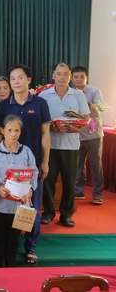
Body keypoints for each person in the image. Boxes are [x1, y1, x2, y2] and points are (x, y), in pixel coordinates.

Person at [0, 64, 50, 266]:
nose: (16, 82)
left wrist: (45, 161)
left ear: (29, 80)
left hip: (30, 164)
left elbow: (45, 134)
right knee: (7, 205)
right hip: (6, 164)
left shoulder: (41, 103)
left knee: (30, 206)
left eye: (20, 78)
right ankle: (9, 246)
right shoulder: (3, 105)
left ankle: (31, 248)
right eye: (13, 78)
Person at [38, 63, 90, 228]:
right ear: (53, 75)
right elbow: (39, 121)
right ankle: (47, 213)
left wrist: (73, 128)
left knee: (69, 182)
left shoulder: (78, 95)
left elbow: (86, 120)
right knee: (48, 181)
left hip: (71, 146)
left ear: (70, 76)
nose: (62, 77)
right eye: (59, 74)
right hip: (49, 146)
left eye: (65, 74)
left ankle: (66, 214)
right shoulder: (45, 95)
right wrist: (52, 127)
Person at [0, 114, 38, 267]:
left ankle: (11, 270)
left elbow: (34, 172)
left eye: (16, 130)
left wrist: (30, 189)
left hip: (18, 206)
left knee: (13, 240)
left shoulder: (26, 151)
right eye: (9, 130)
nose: (13, 134)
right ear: (2, 130)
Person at [72, 66, 106, 205]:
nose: (78, 79)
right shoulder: (70, 93)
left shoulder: (94, 91)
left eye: (81, 77)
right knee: (78, 165)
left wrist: (87, 103)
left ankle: (98, 194)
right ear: (71, 78)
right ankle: (79, 192)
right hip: (77, 134)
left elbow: (102, 107)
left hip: (94, 135)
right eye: (76, 77)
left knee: (95, 164)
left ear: (86, 78)